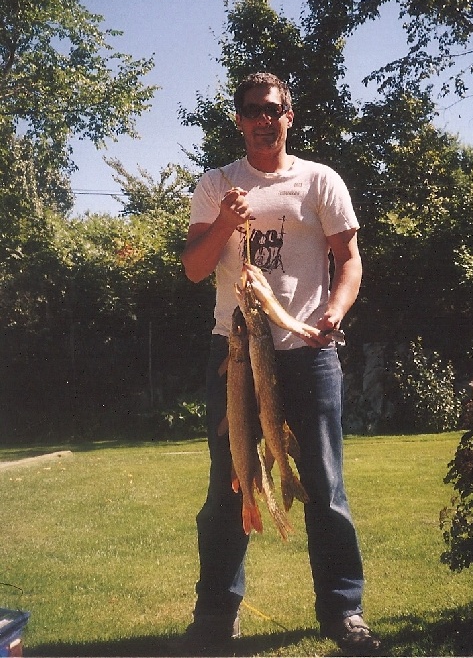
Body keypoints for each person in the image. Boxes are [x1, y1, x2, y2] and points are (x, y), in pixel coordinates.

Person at [181, 72, 380, 656]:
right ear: (238, 120)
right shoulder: (216, 184)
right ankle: (215, 617)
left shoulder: (320, 181)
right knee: (230, 485)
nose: (263, 119)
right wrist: (224, 221)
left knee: (325, 484)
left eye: (273, 109)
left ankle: (344, 611)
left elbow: (349, 260)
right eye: (251, 110)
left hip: (309, 354)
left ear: (289, 116)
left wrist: (335, 312)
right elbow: (195, 269)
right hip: (237, 354)